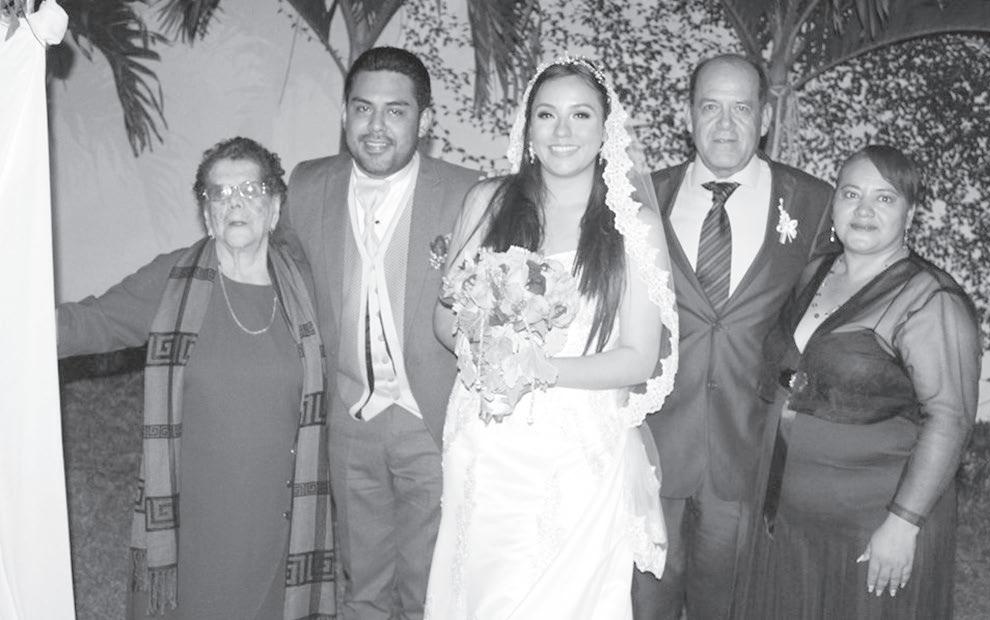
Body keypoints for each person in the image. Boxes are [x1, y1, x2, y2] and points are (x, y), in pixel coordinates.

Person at [423, 56, 678, 619]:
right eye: (547, 114)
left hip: (578, 448)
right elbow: (445, 318)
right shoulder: (488, 202)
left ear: (605, 130)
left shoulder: (634, 227)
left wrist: (537, 369)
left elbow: (638, 359)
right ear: (528, 127)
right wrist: (491, 352)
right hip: (487, 437)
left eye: (580, 115)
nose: (562, 131)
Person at [56, 137, 334, 619]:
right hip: (198, 512)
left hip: (281, 509)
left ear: (274, 207)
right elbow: (92, 322)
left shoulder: (304, 286)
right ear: (207, 214)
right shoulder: (174, 280)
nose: (235, 203)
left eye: (250, 190)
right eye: (220, 193)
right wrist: (18, 321)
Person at [273, 47, 480, 619]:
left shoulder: (469, 192)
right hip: (350, 418)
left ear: (425, 121)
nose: (376, 126)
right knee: (362, 584)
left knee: (427, 589)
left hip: (431, 418)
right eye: (363, 108)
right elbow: (280, 278)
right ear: (344, 114)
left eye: (396, 111)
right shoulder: (307, 185)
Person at [632, 54, 834, 619]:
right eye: (710, 107)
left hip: (750, 458)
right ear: (688, 116)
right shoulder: (640, 198)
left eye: (741, 108)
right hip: (650, 454)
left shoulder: (815, 204)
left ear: (765, 118)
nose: (725, 124)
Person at [743, 145, 981, 619]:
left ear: (910, 214)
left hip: (872, 525)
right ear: (834, 205)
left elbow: (950, 419)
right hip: (791, 518)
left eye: (884, 198)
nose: (864, 210)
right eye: (851, 194)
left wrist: (903, 523)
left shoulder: (931, 299)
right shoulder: (815, 271)